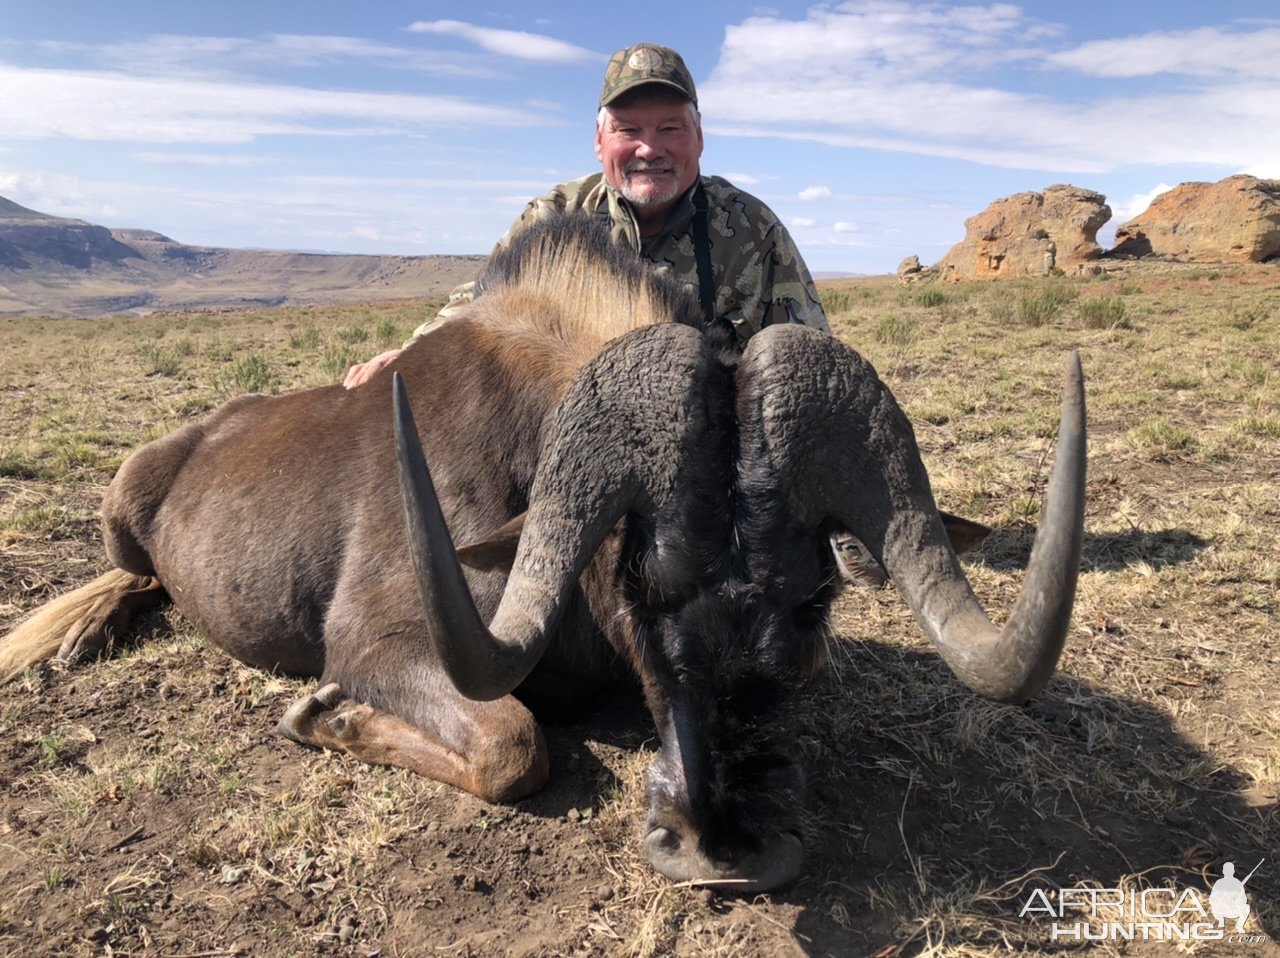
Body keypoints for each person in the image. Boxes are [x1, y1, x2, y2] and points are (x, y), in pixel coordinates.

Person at [343, 41, 830, 389]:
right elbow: (481, 302)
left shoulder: (752, 228)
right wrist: (412, 353)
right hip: (573, 433)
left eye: (669, 128)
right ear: (599, 141)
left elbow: (805, 358)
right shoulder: (556, 215)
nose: (649, 148)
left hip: (711, 453)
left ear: (699, 137)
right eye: (628, 129)